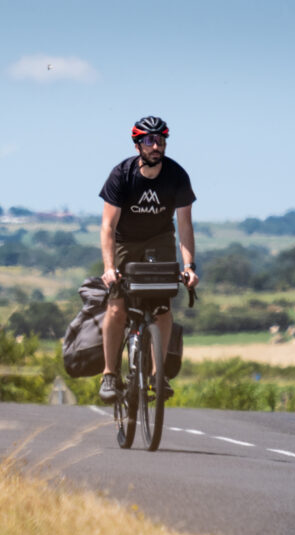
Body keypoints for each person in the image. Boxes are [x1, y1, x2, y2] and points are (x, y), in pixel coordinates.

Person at [97, 116, 200, 403]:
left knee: (163, 308)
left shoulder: (177, 175)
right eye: (150, 141)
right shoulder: (122, 175)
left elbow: (185, 226)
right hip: (125, 241)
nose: (157, 146)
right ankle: (109, 375)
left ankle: (158, 374)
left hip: (159, 241)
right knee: (117, 306)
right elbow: (108, 226)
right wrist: (108, 268)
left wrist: (189, 267)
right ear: (138, 144)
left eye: (161, 140)